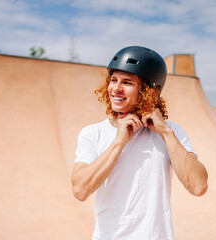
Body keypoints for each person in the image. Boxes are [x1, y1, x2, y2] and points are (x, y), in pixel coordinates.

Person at [71, 46, 208, 240]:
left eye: (127, 82)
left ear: (150, 92)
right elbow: (80, 190)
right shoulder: (92, 133)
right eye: (113, 80)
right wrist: (119, 142)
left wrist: (165, 132)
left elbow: (198, 186)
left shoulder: (172, 132)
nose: (116, 89)